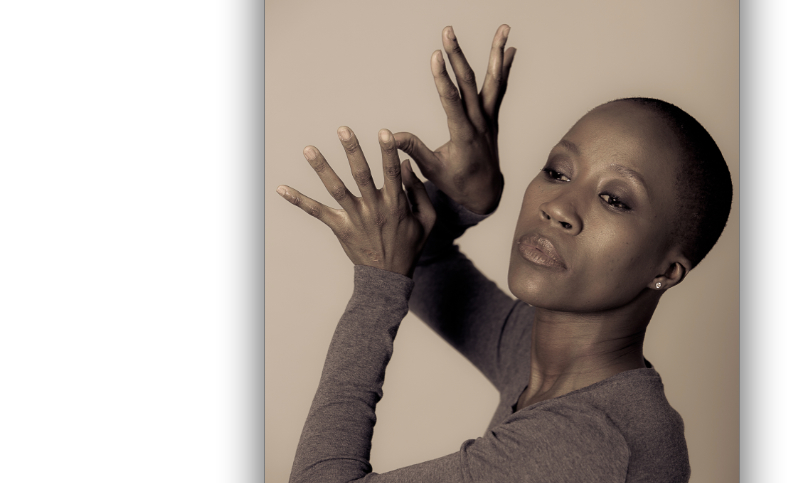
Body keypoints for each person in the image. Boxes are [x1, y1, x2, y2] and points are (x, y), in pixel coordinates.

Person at [276, 24, 732, 483]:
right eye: (557, 172)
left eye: (614, 199)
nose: (558, 207)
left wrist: (377, 286)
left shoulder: (587, 439)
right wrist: (464, 201)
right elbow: (423, 263)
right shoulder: (542, 358)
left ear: (667, 271)